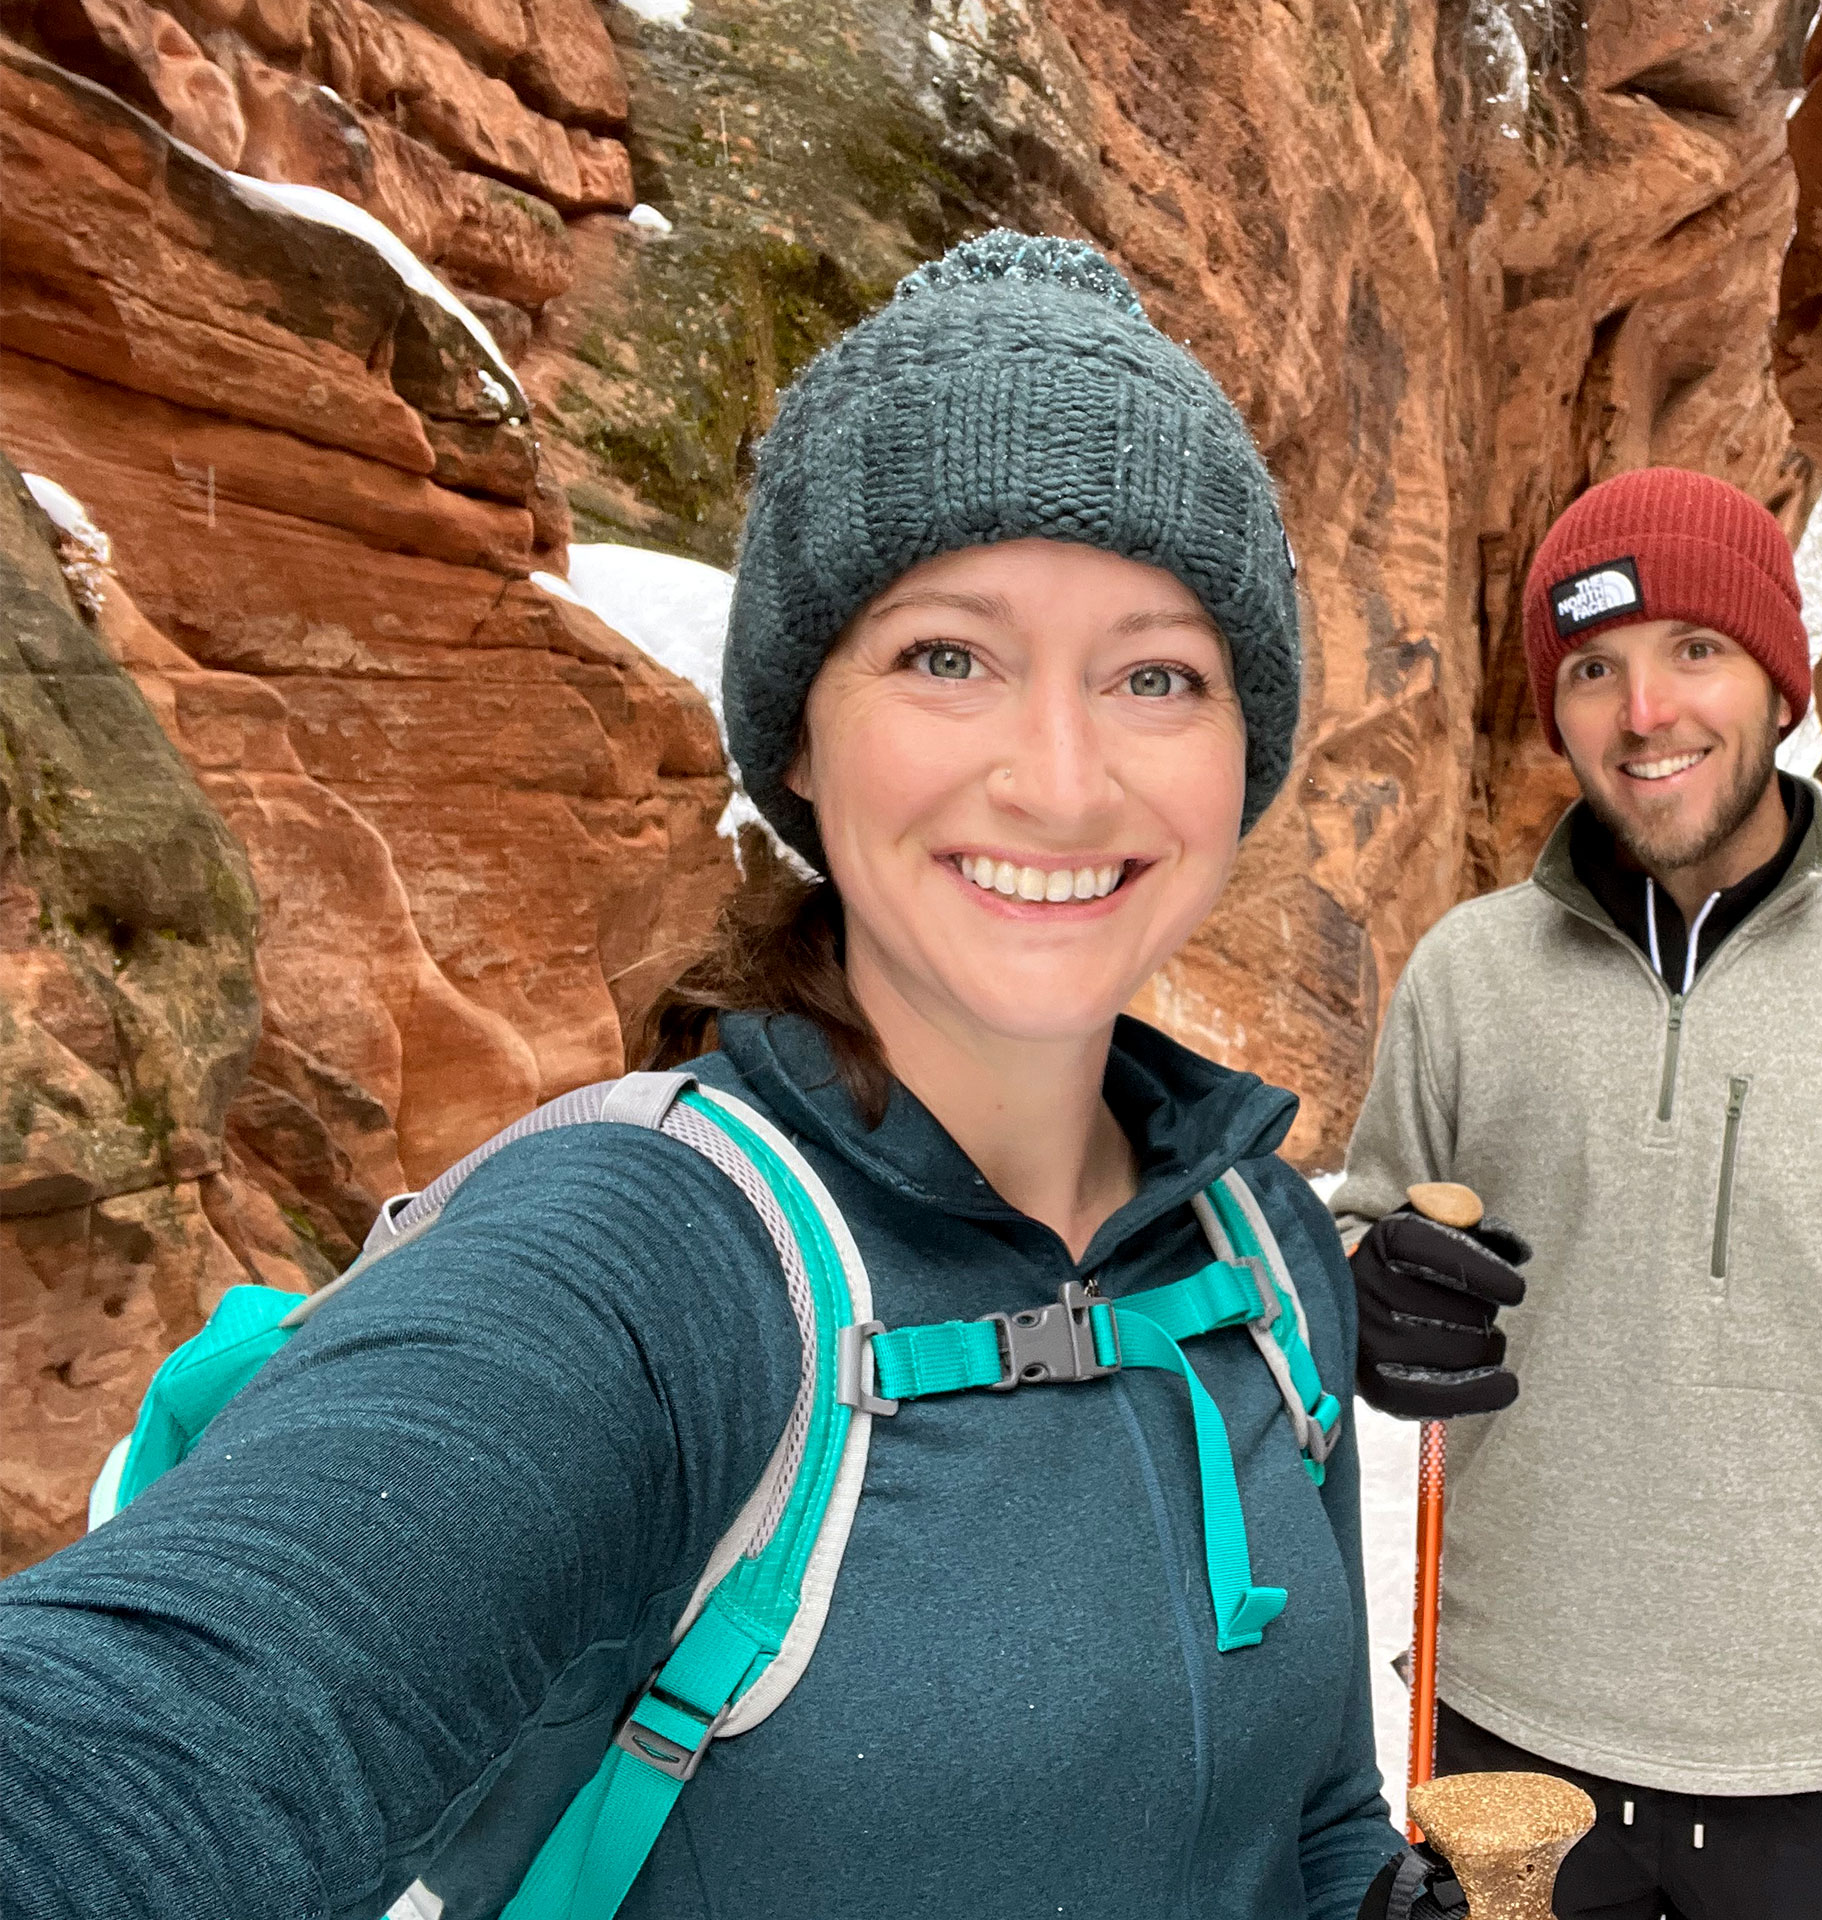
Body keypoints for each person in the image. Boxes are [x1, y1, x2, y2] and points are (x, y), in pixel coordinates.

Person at [0, 234, 1410, 1918]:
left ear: (1243, 751)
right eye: (946, 655)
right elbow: (163, 1734)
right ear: (800, 736)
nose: (1058, 776)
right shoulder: (656, 1262)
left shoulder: (1261, 1256)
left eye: (1157, 675)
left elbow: (1320, 1807)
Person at [1335, 469, 1822, 1920]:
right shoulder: (1467, 978)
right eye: (1592, 669)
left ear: (1779, 678)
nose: (1646, 714)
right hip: (1508, 1744)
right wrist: (1358, 1293)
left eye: (1695, 650)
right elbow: (1358, 1240)